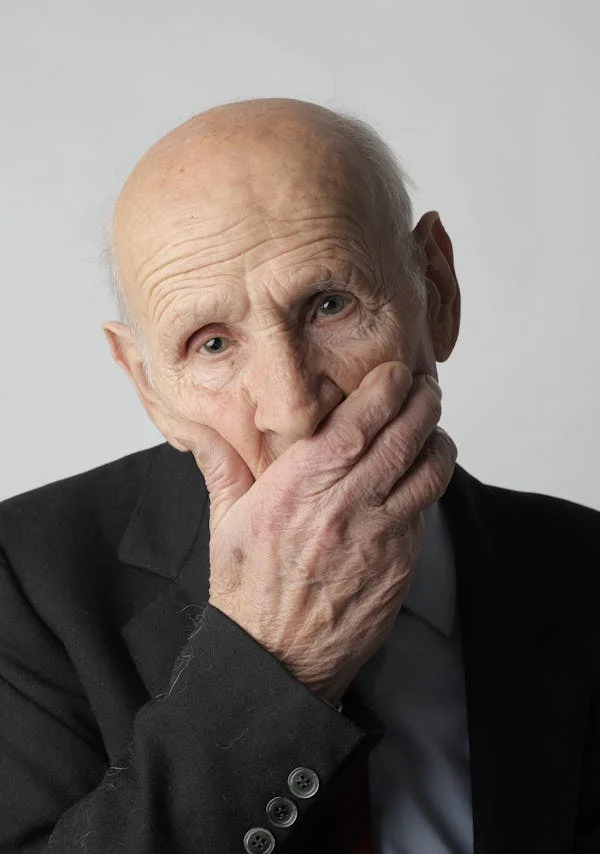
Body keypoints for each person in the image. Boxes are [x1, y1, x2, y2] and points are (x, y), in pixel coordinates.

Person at [0, 98, 598, 854]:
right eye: (212, 344)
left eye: (330, 304)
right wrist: (273, 662)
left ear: (437, 291)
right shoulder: (23, 582)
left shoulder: (583, 569)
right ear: (149, 387)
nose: (294, 409)